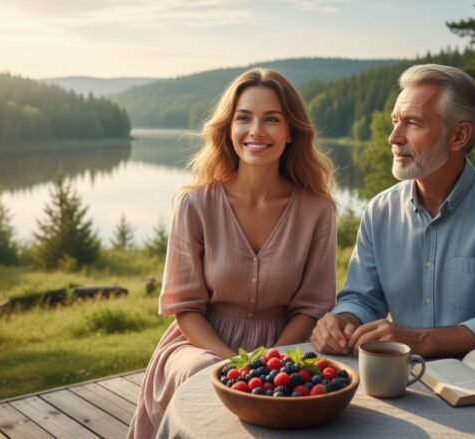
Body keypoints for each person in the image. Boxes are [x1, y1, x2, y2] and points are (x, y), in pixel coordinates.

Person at [128, 68, 338, 438]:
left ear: (291, 132)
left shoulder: (318, 210)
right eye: (244, 118)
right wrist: (232, 363)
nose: (256, 131)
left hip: (285, 344)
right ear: (228, 129)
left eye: (271, 119)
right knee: (203, 376)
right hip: (200, 344)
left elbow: (311, 307)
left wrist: (268, 361)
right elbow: (185, 308)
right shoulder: (194, 204)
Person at [311, 64, 475, 359]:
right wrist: (343, 320)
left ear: (458, 136)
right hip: (398, 382)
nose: (393, 137)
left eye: (412, 123)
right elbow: (362, 298)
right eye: (395, 121)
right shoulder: (379, 211)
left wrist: (422, 341)